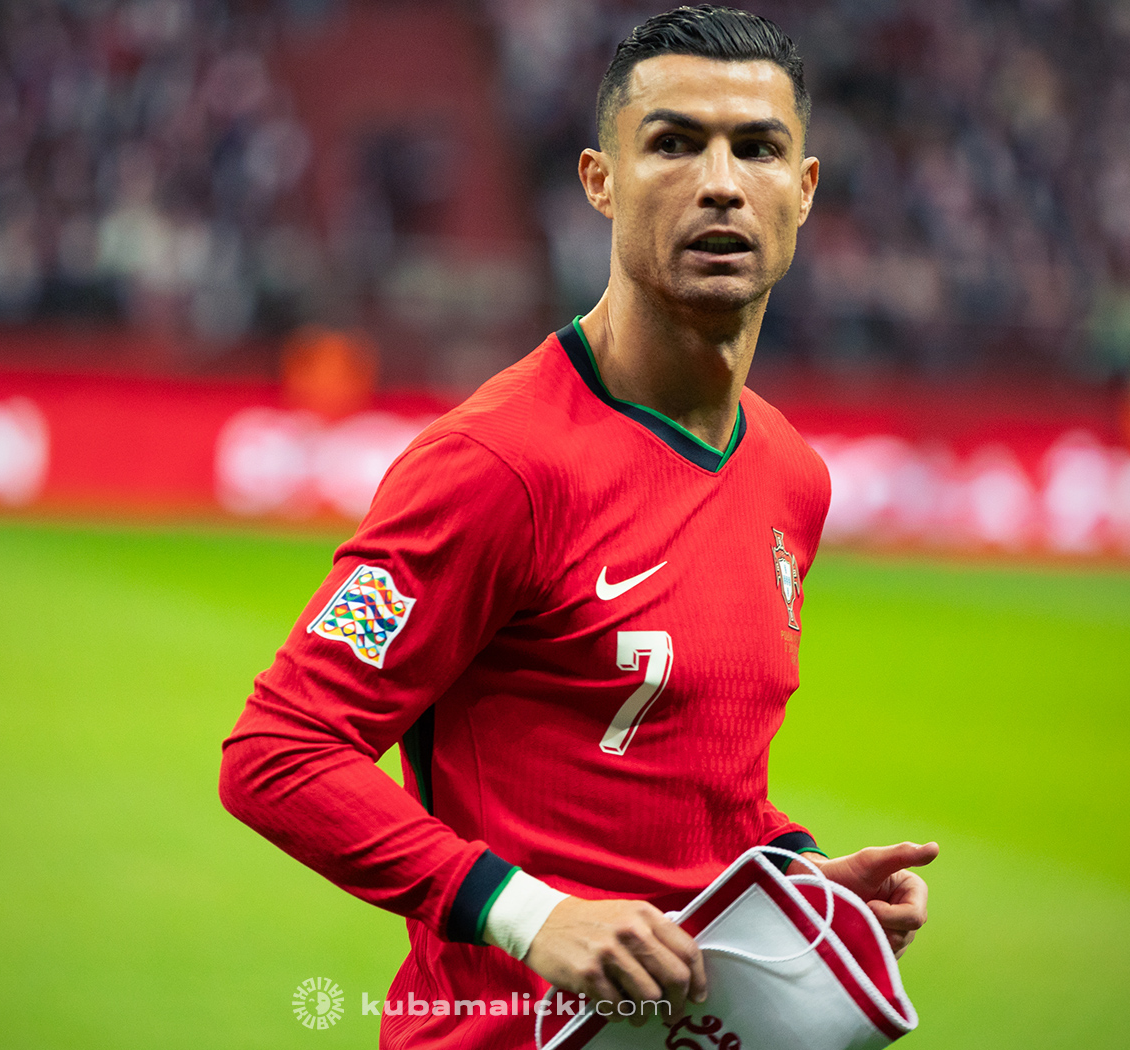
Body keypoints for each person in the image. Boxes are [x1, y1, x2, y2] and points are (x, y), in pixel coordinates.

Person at [220, 7, 938, 1047]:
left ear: (804, 190)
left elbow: (691, 784)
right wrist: (529, 915)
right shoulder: (498, 465)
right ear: (600, 180)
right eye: (675, 144)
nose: (722, 182)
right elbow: (279, 751)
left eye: (758, 149)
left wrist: (792, 877)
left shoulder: (793, 476)